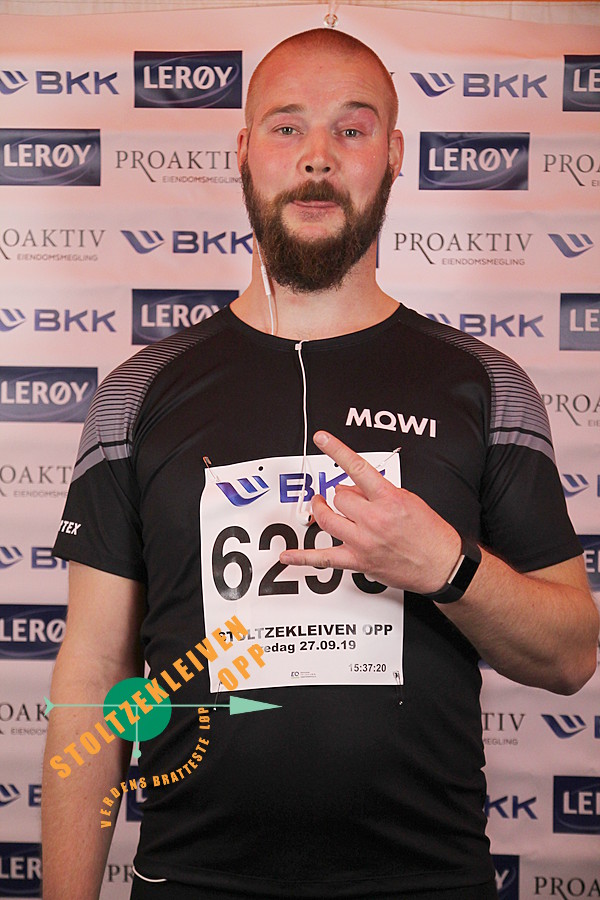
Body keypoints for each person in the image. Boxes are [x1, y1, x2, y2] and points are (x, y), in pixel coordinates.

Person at [42, 27, 598, 900]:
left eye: (352, 128)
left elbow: (570, 657)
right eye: (287, 126)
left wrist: (447, 566)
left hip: (425, 883)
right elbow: (93, 673)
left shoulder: (487, 384)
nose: (317, 157)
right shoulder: (136, 393)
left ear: (395, 155)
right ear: (243, 151)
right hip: (193, 881)